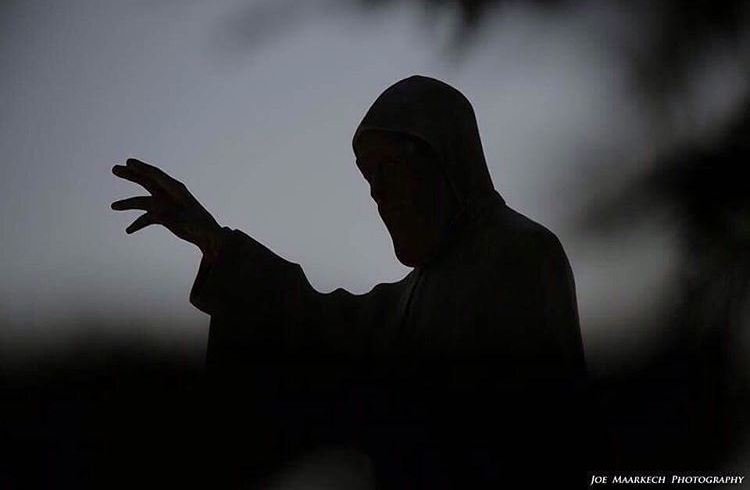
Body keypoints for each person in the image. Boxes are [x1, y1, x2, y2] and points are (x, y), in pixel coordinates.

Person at [112, 76, 590, 488]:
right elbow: (316, 321)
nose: (376, 193)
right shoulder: (409, 297)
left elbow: (549, 435)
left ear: (444, 157)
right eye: (367, 177)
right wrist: (217, 245)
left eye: (388, 168)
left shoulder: (522, 253)